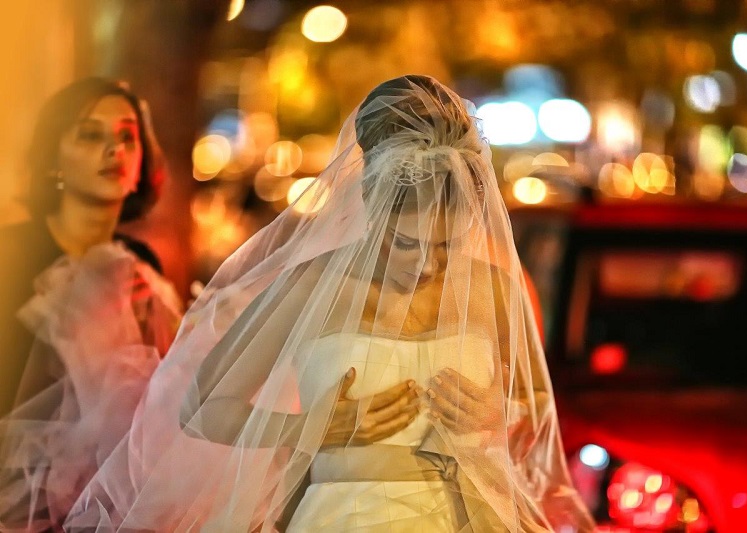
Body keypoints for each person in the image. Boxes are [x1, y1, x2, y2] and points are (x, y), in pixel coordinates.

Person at [67, 75, 593, 532]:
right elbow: (201, 409)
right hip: (346, 514)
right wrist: (310, 428)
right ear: (369, 201)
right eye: (406, 243)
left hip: (473, 515)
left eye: (445, 246)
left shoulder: (491, 287)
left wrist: (495, 415)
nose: (427, 266)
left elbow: (537, 409)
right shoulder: (310, 285)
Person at [0, 77, 182, 531]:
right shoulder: (13, 254)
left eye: (127, 136)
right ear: (54, 156)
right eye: (90, 135)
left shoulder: (141, 265)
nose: (114, 150)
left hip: (110, 501)